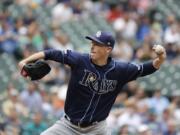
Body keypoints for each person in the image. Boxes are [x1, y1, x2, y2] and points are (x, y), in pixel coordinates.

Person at [19, 31, 166, 135]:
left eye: (97, 44)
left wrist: (160, 58)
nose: (92, 46)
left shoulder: (120, 70)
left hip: (97, 129)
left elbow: (147, 68)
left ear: (108, 49)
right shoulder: (80, 60)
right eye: (92, 42)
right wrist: (25, 61)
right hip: (68, 126)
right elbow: (50, 53)